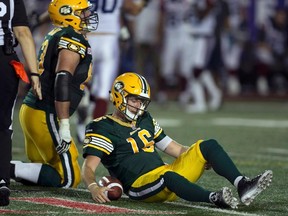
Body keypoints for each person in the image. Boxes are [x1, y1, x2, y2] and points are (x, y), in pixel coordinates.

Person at [81, 72, 273, 208]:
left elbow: (173, 148)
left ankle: (242, 184)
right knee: (168, 177)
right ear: (119, 96)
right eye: (134, 100)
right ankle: (214, 198)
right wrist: (92, 186)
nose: (138, 106)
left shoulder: (144, 118)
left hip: (165, 173)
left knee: (208, 145)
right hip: (141, 186)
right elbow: (89, 167)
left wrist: (200, 156)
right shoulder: (103, 127)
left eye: (141, 101)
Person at [10, 0, 98, 189]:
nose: (88, 16)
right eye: (82, 12)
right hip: (45, 113)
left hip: (33, 111)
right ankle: (4, 169)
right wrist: (65, 125)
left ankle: (9, 169)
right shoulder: (72, 38)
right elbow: (63, 78)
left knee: (46, 170)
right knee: (68, 178)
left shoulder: (56, 33)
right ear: (69, 15)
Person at [76, 0, 151, 143]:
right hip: (109, 40)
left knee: (83, 82)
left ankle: (83, 108)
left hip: (87, 36)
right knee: (103, 92)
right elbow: (133, 9)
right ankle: (93, 134)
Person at [0, 0, 42, 206]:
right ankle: (1, 180)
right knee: (3, 125)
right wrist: (34, 73)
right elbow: (23, 33)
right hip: (4, 60)